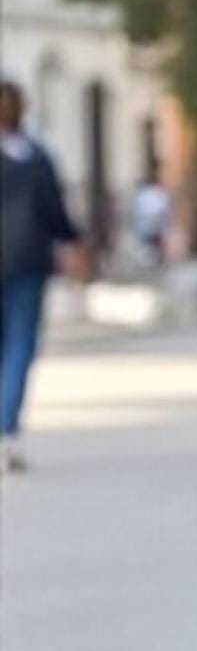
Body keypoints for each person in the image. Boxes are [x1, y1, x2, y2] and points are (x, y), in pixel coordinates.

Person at [1, 79, 83, 471]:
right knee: (19, 345)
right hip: (28, 259)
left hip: (24, 261)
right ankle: (7, 430)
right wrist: (73, 244)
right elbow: (56, 212)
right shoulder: (35, 156)